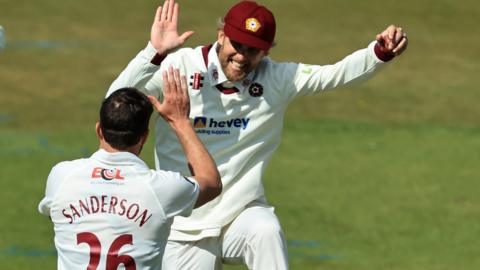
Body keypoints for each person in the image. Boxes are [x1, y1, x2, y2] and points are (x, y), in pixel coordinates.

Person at [107, 0, 409, 269]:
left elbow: (334, 74)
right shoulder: (179, 66)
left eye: (254, 50)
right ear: (221, 35)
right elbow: (114, 102)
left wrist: (379, 52)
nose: (242, 57)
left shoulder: (277, 78)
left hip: (241, 215)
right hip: (184, 226)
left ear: (267, 50)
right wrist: (154, 53)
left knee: (266, 230)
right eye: (237, 45)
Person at [38, 69, 221, 269]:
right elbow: (211, 182)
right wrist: (180, 122)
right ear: (144, 137)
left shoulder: (61, 176)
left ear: (99, 129)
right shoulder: (163, 189)